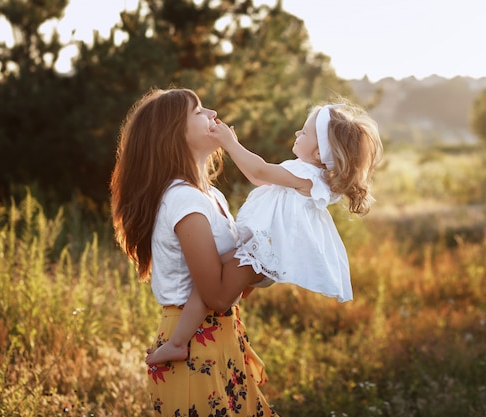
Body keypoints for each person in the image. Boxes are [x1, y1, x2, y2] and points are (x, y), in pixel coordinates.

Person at [145, 99, 383, 367]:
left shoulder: (307, 174)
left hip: (261, 254)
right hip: (260, 253)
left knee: (209, 286)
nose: (297, 134)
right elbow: (260, 178)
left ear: (318, 153)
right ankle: (179, 341)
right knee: (213, 276)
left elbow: (259, 171)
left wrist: (231, 143)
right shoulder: (308, 175)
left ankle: (177, 344)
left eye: (304, 133)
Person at [110, 87, 278, 416]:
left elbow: (231, 290)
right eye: (199, 111)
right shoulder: (183, 200)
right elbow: (216, 294)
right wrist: (267, 255)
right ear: (173, 133)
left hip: (222, 336)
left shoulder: (210, 195)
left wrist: (256, 265)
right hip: (191, 346)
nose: (213, 114)